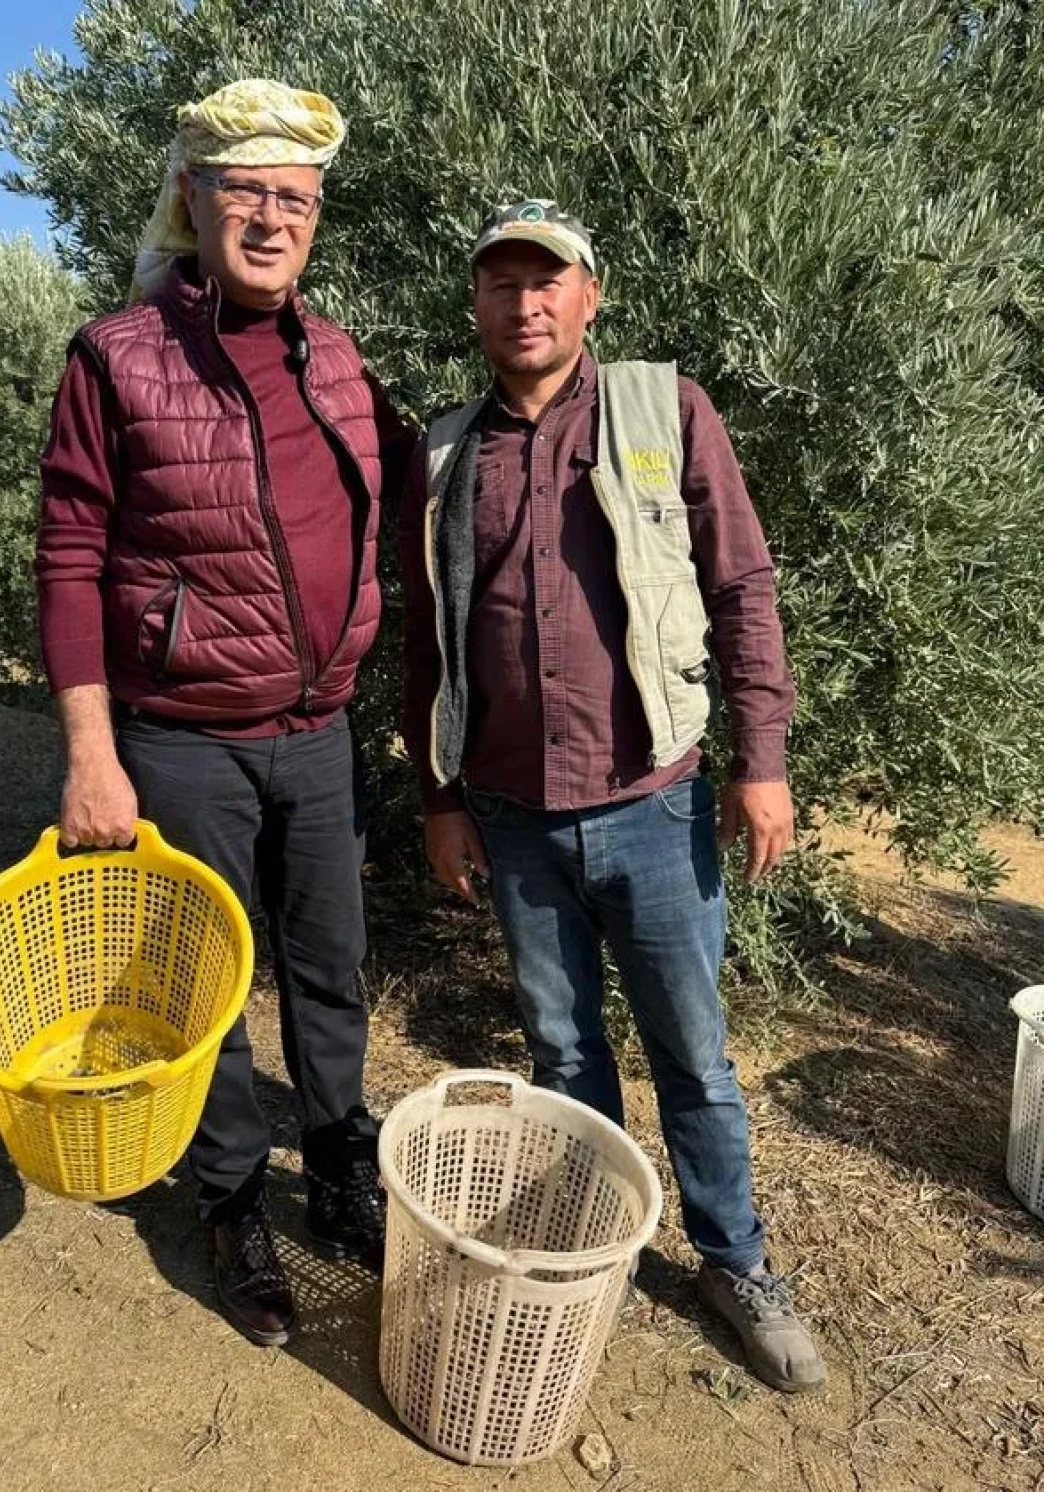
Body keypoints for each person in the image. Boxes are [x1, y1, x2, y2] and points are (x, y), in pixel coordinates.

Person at [398, 199, 825, 1394]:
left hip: (654, 800)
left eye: (546, 282)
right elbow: (425, 643)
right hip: (510, 814)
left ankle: (732, 1261)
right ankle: (588, 1242)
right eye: (499, 284)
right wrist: (438, 796)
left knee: (691, 1052)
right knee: (560, 1046)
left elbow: (739, 583)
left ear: (589, 295)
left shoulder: (659, 407)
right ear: (474, 305)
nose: (522, 304)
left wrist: (765, 759)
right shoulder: (442, 454)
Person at [36, 79, 411, 1349]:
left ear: (315, 216)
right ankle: (234, 1199)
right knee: (198, 986)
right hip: (179, 740)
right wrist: (91, 753)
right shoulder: (118, 355)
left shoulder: (338, 352)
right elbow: (69, 554)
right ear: (192, 199)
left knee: (326, 970)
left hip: (318, 732)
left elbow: (406, 494)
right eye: (243, 190)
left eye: (291, 198)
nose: (268, 216)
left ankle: (344, 1168)